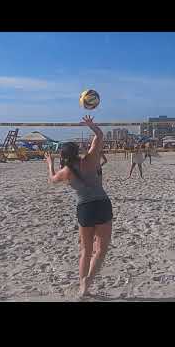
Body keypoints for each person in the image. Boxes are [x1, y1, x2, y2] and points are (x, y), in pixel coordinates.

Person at [44, 115, 113, 297]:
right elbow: (99, 135)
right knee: (101, 250)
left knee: (86, 250)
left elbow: (52, 180)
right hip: (102, 204)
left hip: (85, 209)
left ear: (64, 156)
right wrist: (91, 125)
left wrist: (50, 165)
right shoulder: (90, 158)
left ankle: (83, 285)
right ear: (77, 151)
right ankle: (88, 281)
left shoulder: (66, 171)